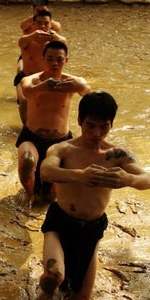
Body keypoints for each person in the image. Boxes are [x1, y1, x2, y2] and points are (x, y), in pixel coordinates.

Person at [37, 91, 150, 300]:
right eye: (90, 125)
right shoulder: (63, 148)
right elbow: (46, 171)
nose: (96, 132)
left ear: (111, 125)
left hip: (92, 228)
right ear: (79, 121)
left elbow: (147, 180)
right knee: (54, 276)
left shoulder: (117, 154)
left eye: (104, 126)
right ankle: (44, 293)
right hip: (60, 222)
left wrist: (127, 179)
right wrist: (80, 175)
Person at [17, 41, 91, 205]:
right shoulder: (32, 80)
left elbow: (93, 98)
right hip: (32, 137)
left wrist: (82, 87)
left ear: (66, 61)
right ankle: (30, 195)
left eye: (59, 59)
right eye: (50, 59)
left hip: (60, 140)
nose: (54, 63)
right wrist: (44, 86)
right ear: (43, 59)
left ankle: (48, 195)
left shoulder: (72, 83)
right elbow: (26, 92)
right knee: (28, 160)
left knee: (51, 197)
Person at [16, 10, 67, 124]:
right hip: (27, 76)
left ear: (50, 25)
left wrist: (56, 38)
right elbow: (22, 42)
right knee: (24, 102)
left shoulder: (57, 40)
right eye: (39, 23)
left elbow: (64, 46)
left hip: (45, 77)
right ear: (33, 24)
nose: (43, 26)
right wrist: (33, 35)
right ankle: (26, 128)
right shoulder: (26, 39)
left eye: (46, 23)